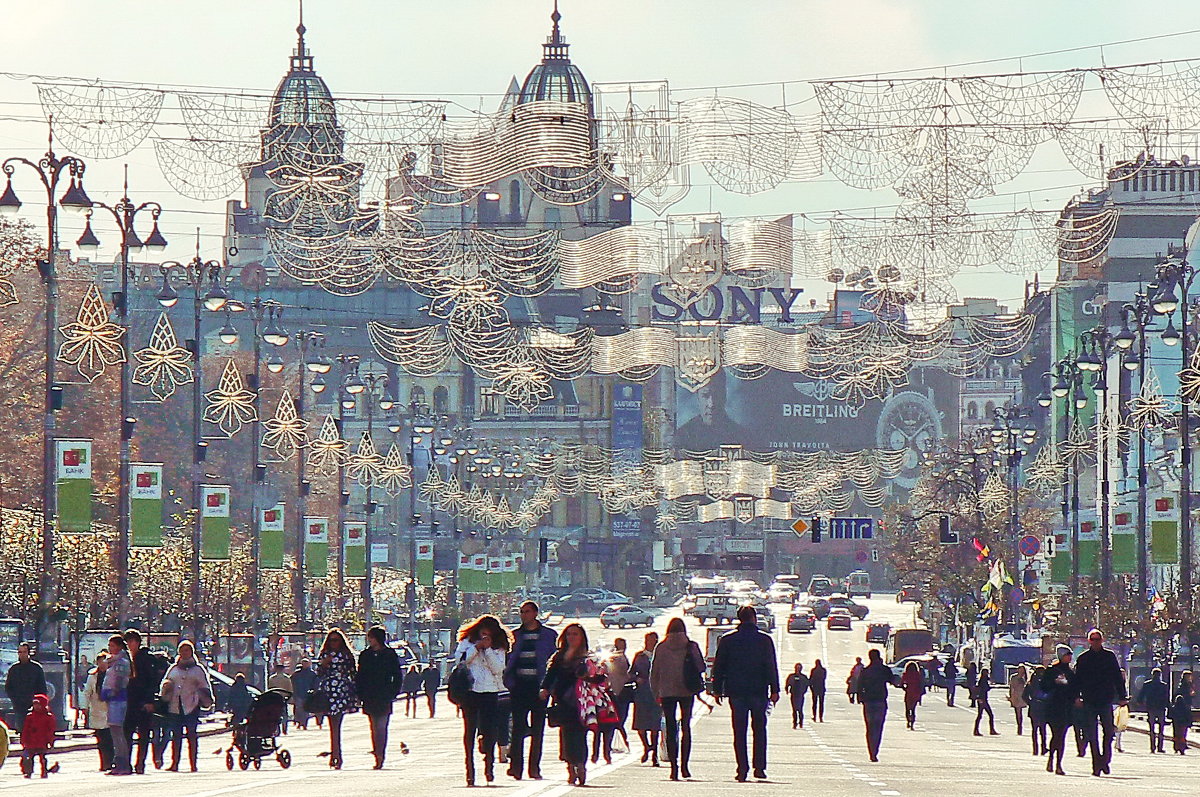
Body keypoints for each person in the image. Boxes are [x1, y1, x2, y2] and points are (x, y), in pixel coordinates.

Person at [710, 605, 779, 782]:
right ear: (754, 618)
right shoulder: (764, 640)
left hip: (736, 691)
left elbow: (719, 667)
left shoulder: (727, 640)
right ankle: (760, 767)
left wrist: (717, 690)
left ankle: (742, 768)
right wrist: (775, 689)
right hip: (759, 690)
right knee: (759, 729)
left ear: (739, 619)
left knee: (739, 731)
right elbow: (771, 665)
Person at [504, 600, 558, 780]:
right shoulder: (515, 635)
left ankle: (534, 768)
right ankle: (516, 767)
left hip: (539, 687)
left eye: (527, 612)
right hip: (519, 686)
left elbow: (554, 663)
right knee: (518, 728)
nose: (524, 615)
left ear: (535, 613)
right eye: (521, 612)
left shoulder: (549, 635)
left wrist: (550, 687)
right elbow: (508, 660)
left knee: (537, 729)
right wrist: (509, 682)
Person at [455, 614, 510, 786]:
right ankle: (469, 771)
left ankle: (489, 765)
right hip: (470, 692)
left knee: (490, 730)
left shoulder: (499, 647)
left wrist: (487, 650)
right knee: (469, 731)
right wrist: (476, 648)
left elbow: (498, 669)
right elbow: (460, 661)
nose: (485, 635)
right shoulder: (467, 643)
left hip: (490, 691)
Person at [650, 617, 704, 780]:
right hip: (687, 690)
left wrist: (655, 693)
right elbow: (701, 666)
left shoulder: (661, 647)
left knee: (671, 728)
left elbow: (654, 672)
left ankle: (674, 767)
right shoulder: (691, 646)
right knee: (686, 727)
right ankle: (685, 766)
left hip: (667, 692)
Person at [540, 622, 595, 786]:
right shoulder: (559, 656)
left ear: (582, 638)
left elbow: (597, 678)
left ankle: (581, 764)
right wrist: (544, 689)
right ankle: (570, 766)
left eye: (575, 634)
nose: (572, 637)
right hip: (563, 700)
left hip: (582, 702)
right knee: (566, 735)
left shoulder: (588, 657)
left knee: (581, 734)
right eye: (569, 634)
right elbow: (550, 675)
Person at [1073, 629, 1127, 776]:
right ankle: (1096, 764)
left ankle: (1105, 759)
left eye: (1098, 639)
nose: (1096, 642)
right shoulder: (1083, 658)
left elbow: (1117, 677)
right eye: (1093, 639)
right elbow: (1077, 680)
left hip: (1105, 699)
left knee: (1109, 732)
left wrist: (1122, 696)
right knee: (1092, 734)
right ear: (1089, 641)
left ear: (1102, 640)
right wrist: (1076, 697)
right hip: (1090, 700)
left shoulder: (1109, 657)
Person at [161, 640, 212, 773]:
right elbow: (165, 683)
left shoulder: (198, 669)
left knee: (192, 736)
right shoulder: (173, 668)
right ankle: (174, 763)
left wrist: (203, 696)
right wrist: (167, 688)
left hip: (191, 705)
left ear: (191, 652)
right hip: (175, 706)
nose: (184, 653)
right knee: (176, 736)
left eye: (187, 650)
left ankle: (193, 764)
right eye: (182, 650)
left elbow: (205, 686)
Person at [358, 625, 404, 769]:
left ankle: (381, 754)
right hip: (369, 696)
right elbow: (360, 676)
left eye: (371, 637)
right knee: (373, 727)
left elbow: (397, 674)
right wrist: (360, 694)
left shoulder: (389, 654)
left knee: (381, 726)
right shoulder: (365, 655)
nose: (370, 640)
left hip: (384, 695)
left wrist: (393, 692)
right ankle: (376, 751)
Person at [124, 629, 169, 773]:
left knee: (143, 735)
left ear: (138, 642)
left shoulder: (146, 658)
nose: (130, 645)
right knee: (127, 734)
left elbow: (151, 682)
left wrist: (149, 701)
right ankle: (127, 763)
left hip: (143, 702)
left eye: (132, 641)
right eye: (127, 642)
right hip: (129, 702)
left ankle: (140, 764)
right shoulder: (126, 659)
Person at [317, 628, 360, 770]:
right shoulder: (325, 654)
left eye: (336, 640)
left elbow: (353, 673)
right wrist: (324, 663)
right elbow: (319, 672)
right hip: (328, 691)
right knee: (332, 724)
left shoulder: (346, 655)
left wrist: (355, 693)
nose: (333, 643)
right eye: (331, 640)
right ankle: (335, 753)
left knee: (336, 723)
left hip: (341, 691)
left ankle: (336, 754)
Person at [100, 634, 134, 776]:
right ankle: (119, 761)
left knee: (118, 733)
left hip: (118, 700)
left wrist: (112, 692)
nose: (110, 648)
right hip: (112, 699)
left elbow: (120, 681)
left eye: (112, 646)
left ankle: (123, 762)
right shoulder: (113, 661)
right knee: (114, 732)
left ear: (119, 646)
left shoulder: (121, 662)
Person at [1041, 645, 1075, 775]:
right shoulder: (1052, 670)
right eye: (1067, 654)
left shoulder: (1071, 672)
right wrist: (1056, 683)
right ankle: (1051, 759)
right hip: (1054, 707)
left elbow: (1074, 689)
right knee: (1056, 734)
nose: (1070, 657)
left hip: (1066, 708)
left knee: (1062, 736)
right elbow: (1044, 687)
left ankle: (1058, 763)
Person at [630, 631, 662, 765]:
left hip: (656, 694)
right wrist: (637, 678)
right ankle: (646, 747)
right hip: (642, 694)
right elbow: (631, 673)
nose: (650, 642)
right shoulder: (640, 656)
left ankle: (654, 753)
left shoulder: (661, 656)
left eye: (653, 640)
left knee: (655, 726)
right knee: (641, 726)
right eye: (648, 640)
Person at [857, 649, 892, 762]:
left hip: (868, 702)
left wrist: (860, 697)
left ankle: (871, 751)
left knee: (869, 727)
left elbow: (859, 685)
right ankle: (875, 750)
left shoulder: (865, 671)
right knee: (878, 727)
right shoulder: (883, 669)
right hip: (880, 701)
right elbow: (892, 679)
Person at [5, 643, 47, 734]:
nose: (22, 654)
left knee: (35, 729)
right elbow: (8, 687)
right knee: (22, 728)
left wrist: (39, 702)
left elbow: (42, 687)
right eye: (20, 652)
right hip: (19, 705)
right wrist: (14, 699)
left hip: (34, 705)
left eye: (24, 652)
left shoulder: (36, 668)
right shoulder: (14, 669)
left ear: (29, 653)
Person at [82, 652, 114, 772]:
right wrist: (85, 707)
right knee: (100, 739)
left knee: (109, 738)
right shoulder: (92, 676)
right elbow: (87, 692)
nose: (102, 664)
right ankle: (103, 762)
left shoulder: (112, 675)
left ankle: (110, 761)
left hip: (110, 710)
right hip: (96, 710)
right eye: (100, 661)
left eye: (104, 661)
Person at [19, 694, 55, 778]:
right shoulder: (30, 716)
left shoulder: (48, 717)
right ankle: (28, 772)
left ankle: (44, 771)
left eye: (38, 704)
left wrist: (51, 741)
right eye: (34, 704)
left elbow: (50, 731)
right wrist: (23, 740)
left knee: (42, 758)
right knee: (29, 758)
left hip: (42, 741)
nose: (36, 706)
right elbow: (26, 729)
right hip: (31, 741)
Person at [607, 637, 632, 750]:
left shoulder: (616, 657)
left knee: (617, 719)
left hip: (618, 691)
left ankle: (617, 743)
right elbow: (624, 673)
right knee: (618, 719)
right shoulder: (617, 658)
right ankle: (623, 742)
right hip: (619, 691)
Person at [1138, 668, 1170, 753]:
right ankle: (1160, 747)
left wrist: (1141, 703)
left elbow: (1141, 695)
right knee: (1161, 728)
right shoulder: (1164, 685)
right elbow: (1167, 698)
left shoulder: (1147, 684)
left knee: (1152, 728)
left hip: (1151, 708)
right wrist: (1168, 707)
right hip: (1160, 708)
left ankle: (1152, 747)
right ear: (1160, 675)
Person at [1023, 665, 1048, 756]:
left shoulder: (1031, 682)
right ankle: (1043, 747)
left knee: (1035, 729)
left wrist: (1031, 702)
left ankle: (1035, 749)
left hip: (1034, 707)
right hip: (1043, 706)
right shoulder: (1045, 682)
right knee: (1043, 729)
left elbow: (1024, 695)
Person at [1170, 671, 1194, 755]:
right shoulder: (1185, 687)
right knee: (1182, 730)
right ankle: (1181, 745)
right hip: (1184, 711)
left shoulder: (1183, 686)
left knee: (1178, 730)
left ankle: (1178, 745)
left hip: (1179, 712)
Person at [290, 659, 317, 730]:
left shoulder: (312, 674)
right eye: (304, 663)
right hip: (298, 694)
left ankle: (304, 723)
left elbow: (315, 683)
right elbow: (292, 683)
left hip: (308, 695)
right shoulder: (296, 674)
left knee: (305, 710)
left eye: (306, 663)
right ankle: (299, 722)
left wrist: (314, 691)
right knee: (299, 709)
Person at [973, 667, 998, 736]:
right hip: (982, 700)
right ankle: (989, 730)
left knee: (981, 715)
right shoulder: (983, 681)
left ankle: (977, 730)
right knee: (988, 715)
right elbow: (984, 689)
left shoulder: (982, 680)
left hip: (982, 699)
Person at [899, 661, 924, 730]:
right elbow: (921, 683)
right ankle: (912, 723)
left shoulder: (906, 674)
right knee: (913, 709)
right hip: (916, 693)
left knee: (907, 709)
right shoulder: (917, 674)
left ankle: (908, 721)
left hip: (909, 693)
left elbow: (901, 684)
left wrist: (905, 688)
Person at [785, 663, 810, 729]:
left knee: (800, 709)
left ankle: (801, 722)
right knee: (794, 709)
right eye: (797, 668)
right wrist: (787, 690)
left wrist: (804, 691)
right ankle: (795, 722)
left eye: (799, 668)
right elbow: (787, 683)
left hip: (800, 695)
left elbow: (807, 684)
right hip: (793, 694)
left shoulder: (803, 677)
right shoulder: (791, 676)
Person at [1008, 665, 1028, 735]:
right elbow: (1011, 687)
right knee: (1018, 711)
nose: (1021, 671)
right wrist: (1010, 696)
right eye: (1020, 669)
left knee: (1021, 711)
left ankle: (1020, 725)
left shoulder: (1025, 677)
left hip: (1023, 695)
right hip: (1016, 695)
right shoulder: (1014, 677)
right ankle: (1019, 726)